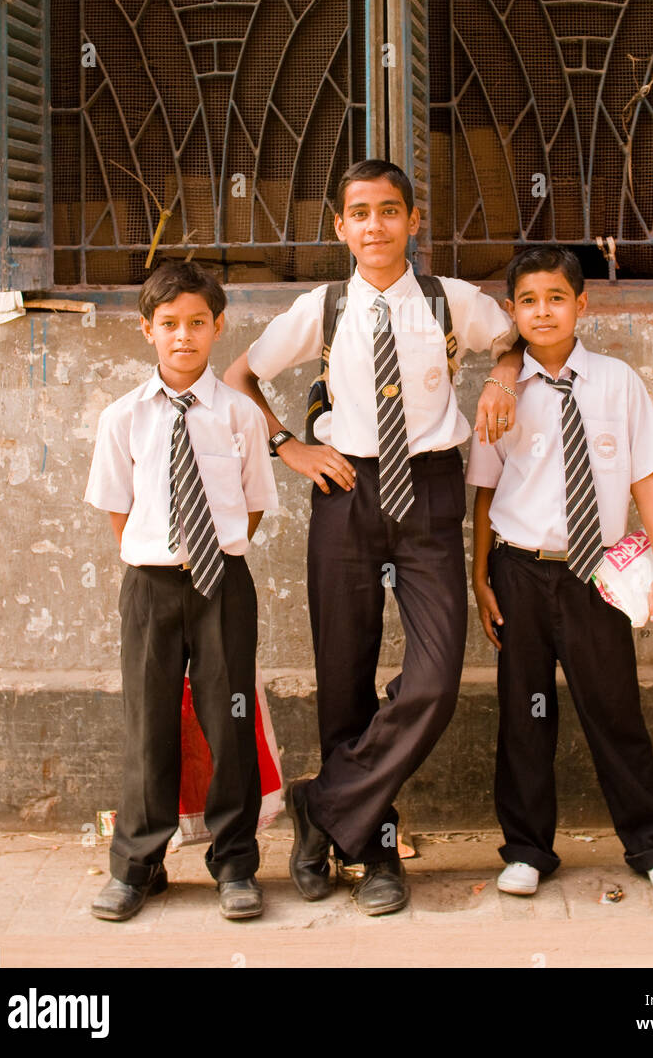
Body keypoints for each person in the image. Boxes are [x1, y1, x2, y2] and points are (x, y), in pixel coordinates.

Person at [223, 158, 521, 915]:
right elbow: (238, 379)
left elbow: (511, 340)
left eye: (390, 211)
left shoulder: (450, 301)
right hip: (345, 490)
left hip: (427, 490)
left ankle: (320, 802)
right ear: (340, 227)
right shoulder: (322, 307)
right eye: (360, 213)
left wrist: (502, 377)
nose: (375, 226)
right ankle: (375, 848)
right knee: (343, 674)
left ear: (413, 221)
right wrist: (288, 445)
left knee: (433, 679)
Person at [467, 245, 653, 897]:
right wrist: (478, 575)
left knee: (614, 708)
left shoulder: (616, 382)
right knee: (522, 713)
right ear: (512, 310)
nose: (543, 311)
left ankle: (652, 845)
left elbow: (644, 475)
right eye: (529, 301)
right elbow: (484, 493)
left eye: (557, 298)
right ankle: (526, 850)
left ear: (581, 305)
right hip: (518, 571)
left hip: (597, 574)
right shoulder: (500, 395)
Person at [84, 260, 278, 921]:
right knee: (148, 726)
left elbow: (251, 504)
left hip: (222, 583)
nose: (184, 336)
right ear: (146, 330)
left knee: (229, 724)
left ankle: (234, 865)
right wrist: (156, 558)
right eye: (169, 324)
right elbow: (118, 507)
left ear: (218, 327)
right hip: (150, 585)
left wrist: (212, 549)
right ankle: (138, 867)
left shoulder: (240, 416)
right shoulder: (123, 417)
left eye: (198, 323)